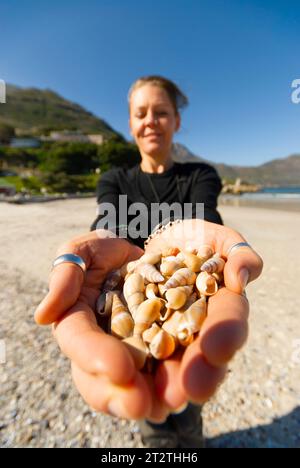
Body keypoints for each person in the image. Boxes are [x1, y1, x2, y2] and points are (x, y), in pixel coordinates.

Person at [35, 76, 263, 448]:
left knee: (188, 412)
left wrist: (184, 246)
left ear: (176, 121)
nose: (150, 121)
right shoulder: (114, 179)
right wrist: (110, 243)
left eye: (161, 112)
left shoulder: (200, 175)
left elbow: (204, 219)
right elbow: (109, 223)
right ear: (131, 123)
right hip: (132, 299)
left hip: (181, 303)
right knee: (152, 425)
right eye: (141, 113)